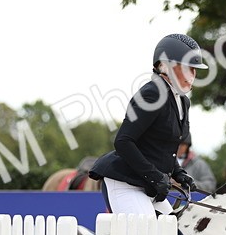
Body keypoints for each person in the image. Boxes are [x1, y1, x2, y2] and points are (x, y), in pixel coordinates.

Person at [89, 33, 208, 215]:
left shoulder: (183, 101)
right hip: (125, 183)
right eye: (187, 68)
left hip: (148, 186)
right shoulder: (152, 94)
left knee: (174, 230)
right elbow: (123, 141)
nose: (192, 75)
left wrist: (179, 173)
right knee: (149, 230)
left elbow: (163, 148)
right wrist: (154, 176)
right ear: (166, 66)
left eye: (194, 69)